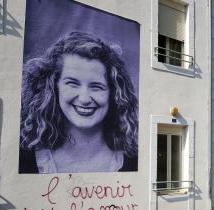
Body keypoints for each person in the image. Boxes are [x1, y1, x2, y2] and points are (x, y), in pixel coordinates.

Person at [19, 31, 138, 173]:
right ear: (53, 87)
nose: (84, 99)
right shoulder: (24, 156)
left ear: (113, 93)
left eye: (96, 86)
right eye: (72, 83)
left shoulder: (134, 160)